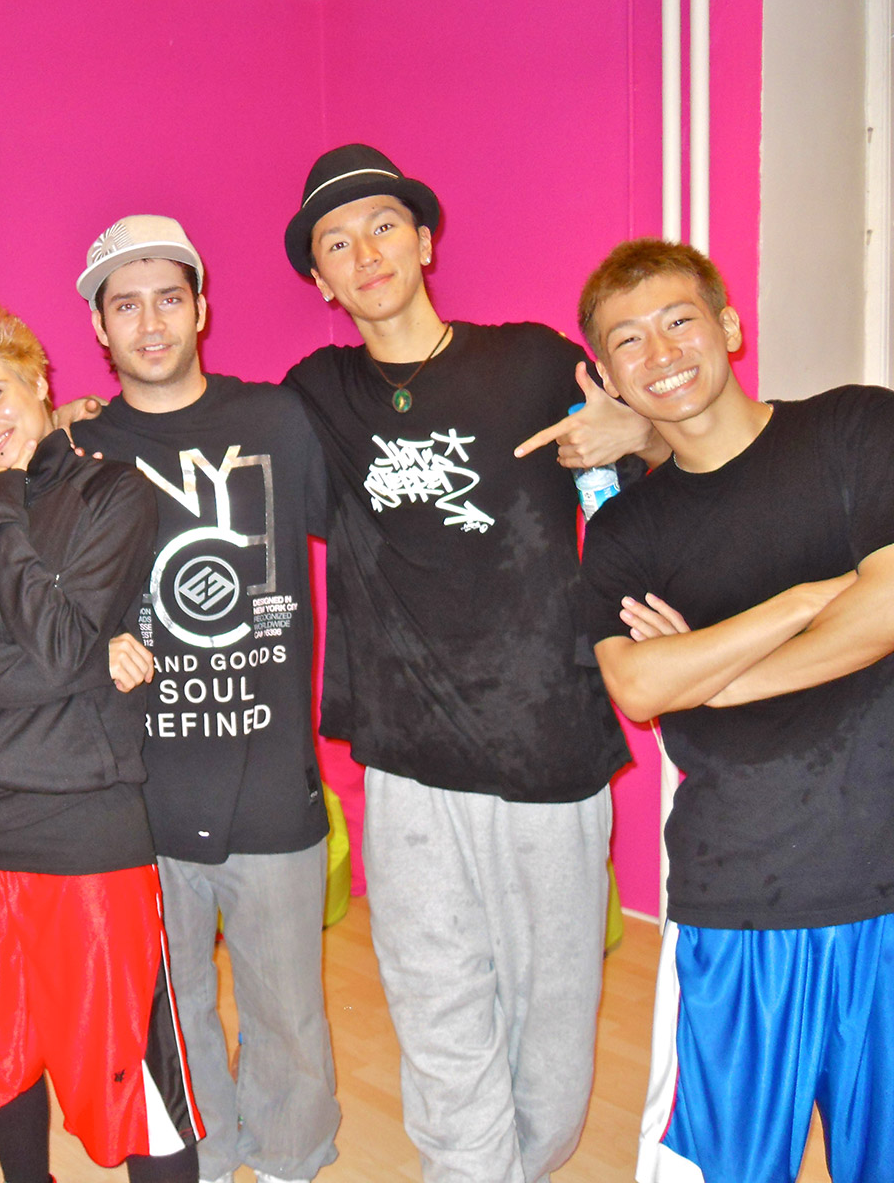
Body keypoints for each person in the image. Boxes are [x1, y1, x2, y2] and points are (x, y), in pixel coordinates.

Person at [279, 144, 656, 1183]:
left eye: (382, 228)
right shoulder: (316, 394)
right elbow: (201, 430)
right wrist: (78, 422)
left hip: (548, 746)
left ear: (423, 241)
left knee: (552, 1012)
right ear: (321, 280)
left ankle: (523, 1164)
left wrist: (638, 430)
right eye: (337, 244)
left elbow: (668, 462)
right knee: (432, 995)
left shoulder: (532, 363)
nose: (365, 254)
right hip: (406, 757)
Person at [575, 239, 894, 1183]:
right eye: (628, 340)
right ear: (610, 377)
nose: (661, 352)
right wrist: (804, 601)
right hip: (741, 899)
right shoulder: (626, 529)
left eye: (679, 320)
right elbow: (638, 687)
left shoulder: (854, 429)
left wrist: (718, 673)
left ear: (728, 325)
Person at [0, 302, 202, 1183]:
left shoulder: (113, 494)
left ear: (39, 383)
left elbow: (61, 641)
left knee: (131, 1075)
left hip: (83, 826)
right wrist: (83, 660)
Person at [71, 215, 339, 1183]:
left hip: (270, 780)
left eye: (168, 299)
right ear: (99, 326)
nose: (150, 323)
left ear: (201, 308)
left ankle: (292, 1162)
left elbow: (374, 525)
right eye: (126, 305)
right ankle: (205, 1159)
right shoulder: (76, 447)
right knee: (169, 1007)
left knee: (287, 1011)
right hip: (136, 788)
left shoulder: (278, 422)